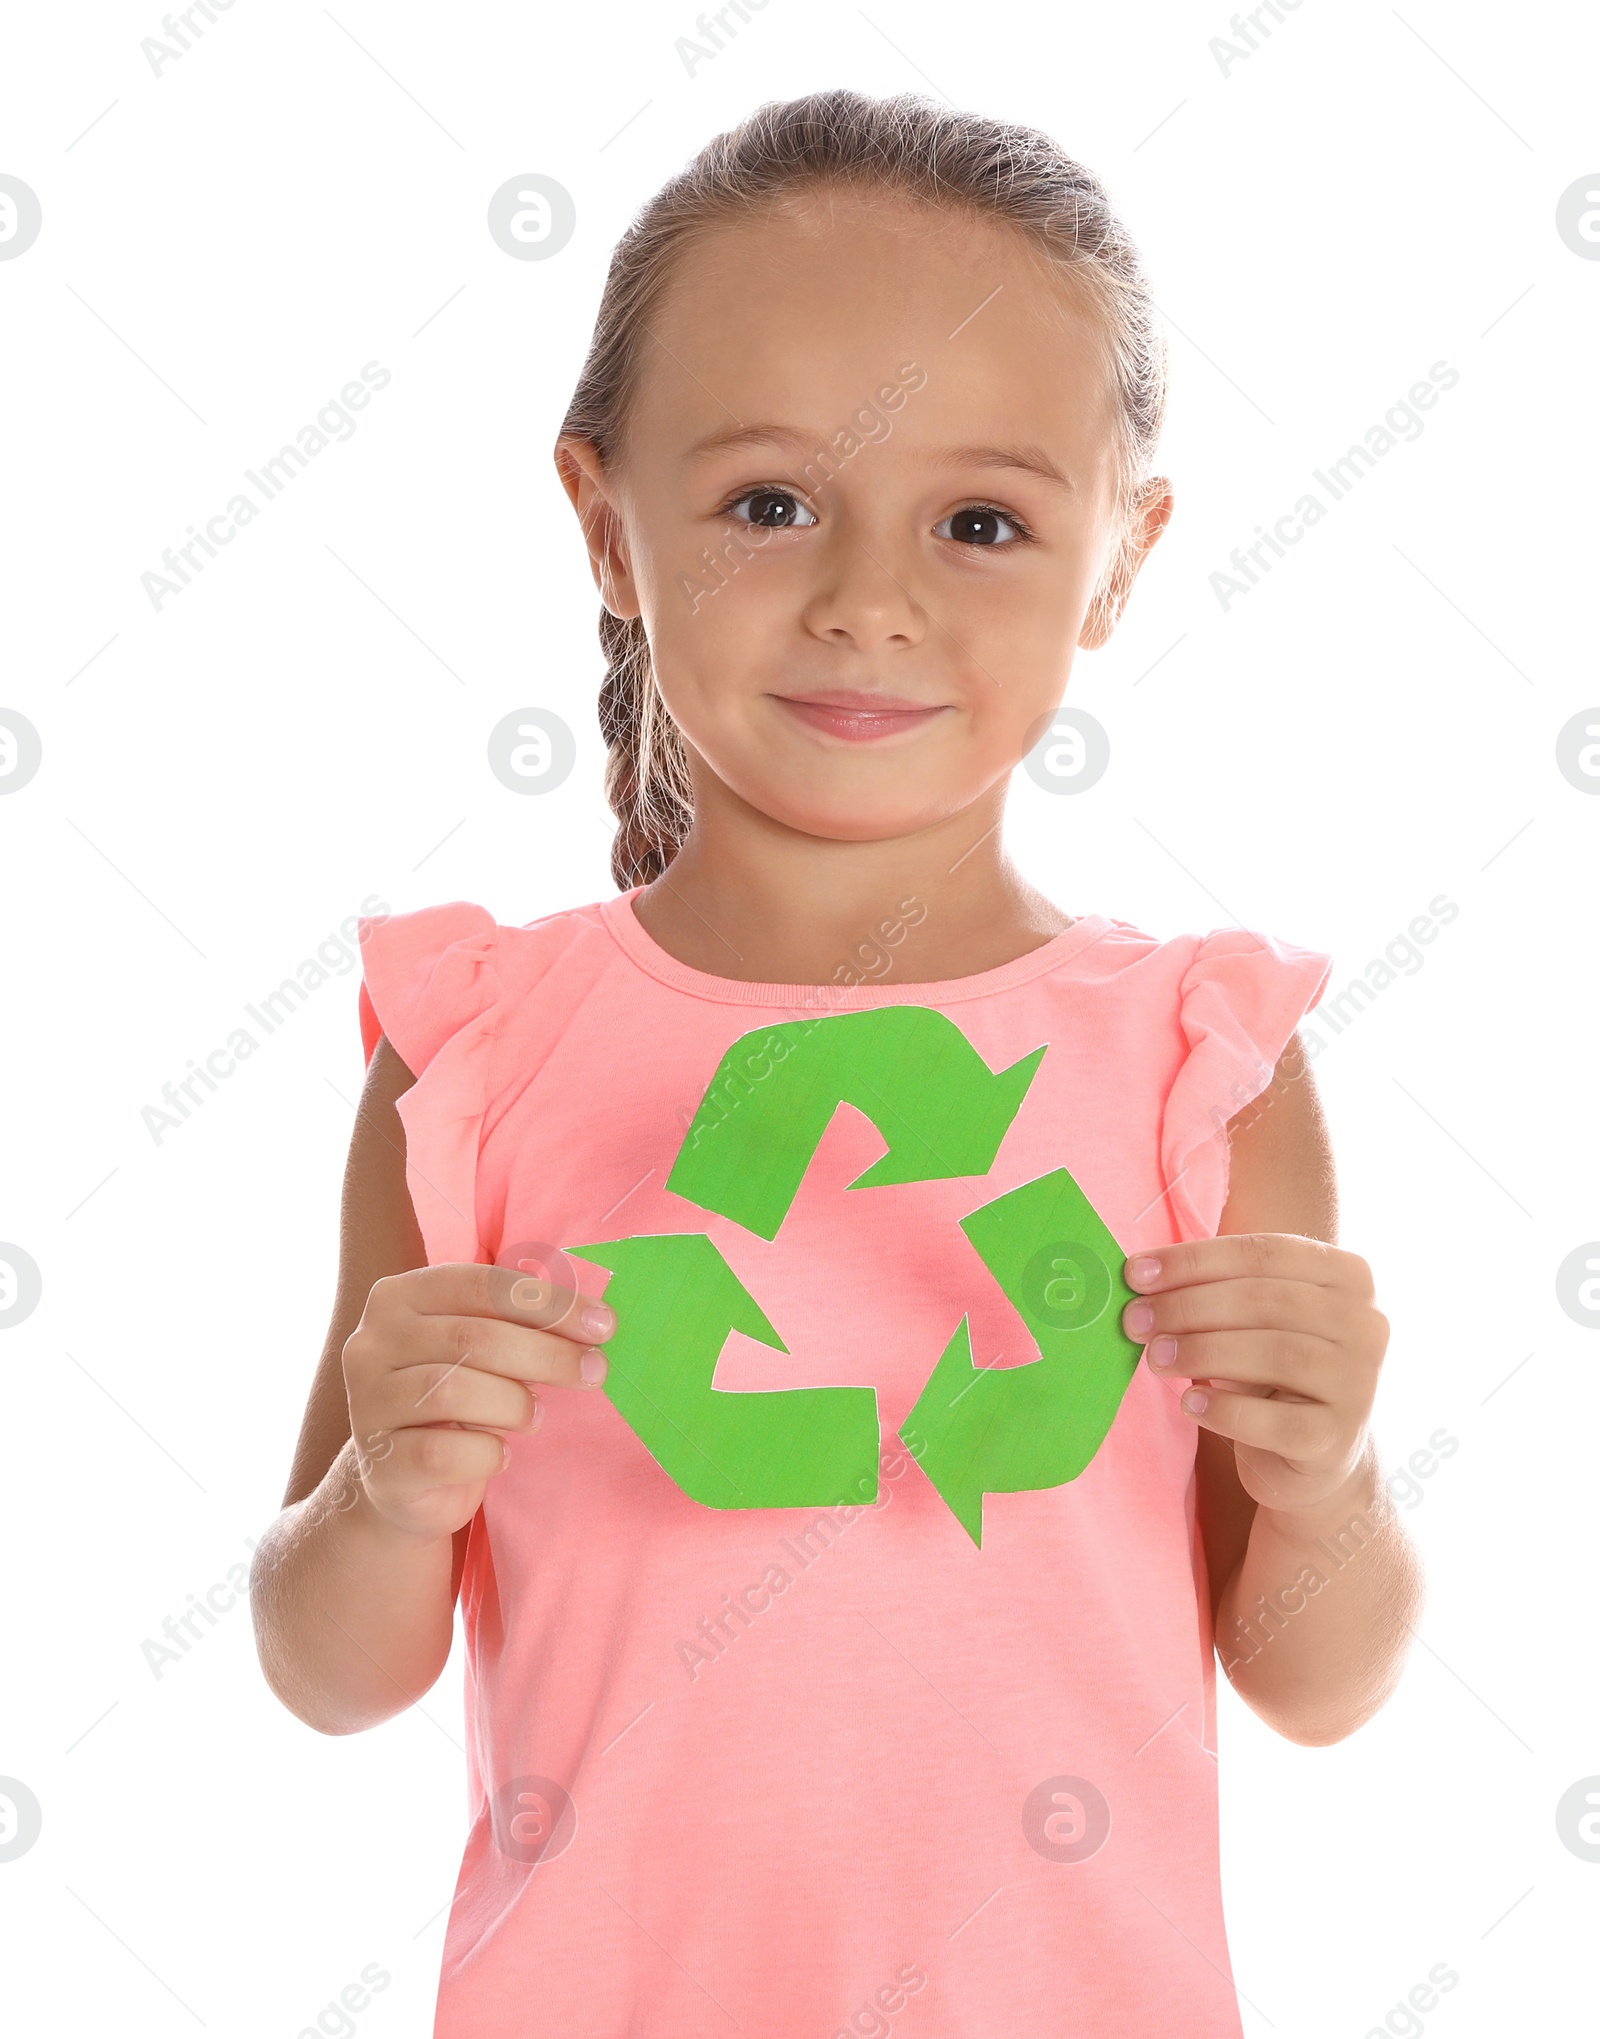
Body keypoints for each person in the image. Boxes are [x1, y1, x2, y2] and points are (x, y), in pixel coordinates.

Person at [249, 88, 1423, 2037]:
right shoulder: (476, 1053)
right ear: (602, 521)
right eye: (768, 501)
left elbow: (1313, 1680)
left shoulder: (1189, 1062)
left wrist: (1327, 1484)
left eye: (979, 522)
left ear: (1116, 564)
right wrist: (381, 1497)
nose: (867, 597)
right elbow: (326, 1664)